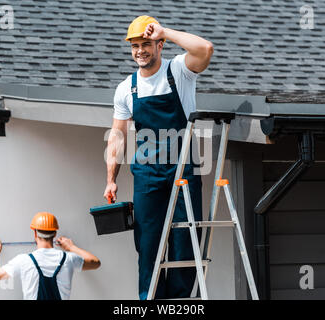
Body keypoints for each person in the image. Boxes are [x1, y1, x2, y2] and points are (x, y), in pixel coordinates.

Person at [104, 15, 213, 299]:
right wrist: (111, 180)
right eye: (135, 45)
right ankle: (150, 299)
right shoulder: (126, 88)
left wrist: (166, 30)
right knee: (148, 243)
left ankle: (177, 301)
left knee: (184, 241)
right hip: (148, 173)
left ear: (160, 45)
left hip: (183, 169)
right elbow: (117, 137)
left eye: (147, 44)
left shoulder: (178, 71)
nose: (140, 50)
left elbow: (205, 49)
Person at [0, 212, 101, 300]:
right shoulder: (69, 259)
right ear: (55, 233)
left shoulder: (24, 261)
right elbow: (95, 262)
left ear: (35, 233)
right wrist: (71, 247)